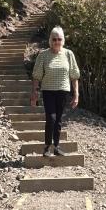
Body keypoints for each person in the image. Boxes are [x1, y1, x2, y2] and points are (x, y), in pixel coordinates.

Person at [30, 26, 80, 157]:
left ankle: (56, 146)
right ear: (50, 40)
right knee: (50, 118)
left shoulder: (68, 54)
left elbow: (74, 76)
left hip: (63, 91)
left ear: (63, 40)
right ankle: (47, 147)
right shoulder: (43, 55)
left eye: (59, 39)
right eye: (54, 39)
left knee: (58, 120)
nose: (57, 42)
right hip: (48, 91)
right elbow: (37, 76)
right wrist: (35, 93)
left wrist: (76, 95)